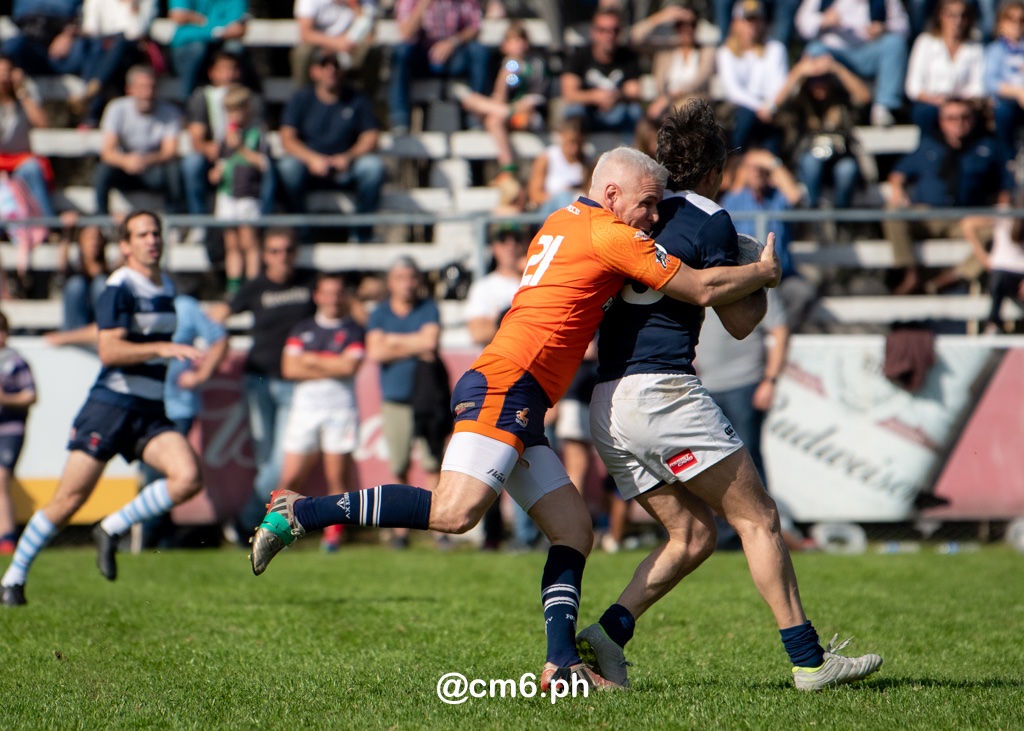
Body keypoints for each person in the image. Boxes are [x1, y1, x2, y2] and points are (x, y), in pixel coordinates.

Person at [248, 145, 780, 689]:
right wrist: (761, 272)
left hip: (519, 388)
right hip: (509, 382)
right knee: (456, 513)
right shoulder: (610, 233)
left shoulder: (561, 218)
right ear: (612, 194)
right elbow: (702, 288)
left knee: (574, 530)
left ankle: (562, 664)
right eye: (646, 204)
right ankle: (302, 513)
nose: (653, 217)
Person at [576, 100, 882, 692]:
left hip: (606, 401)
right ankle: (811, 662)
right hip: (662, 392)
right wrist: (760, 269)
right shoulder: (710, 218)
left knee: (691, 535)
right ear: (718, 168)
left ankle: (609, 633)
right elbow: (741, 323)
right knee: (759, 519)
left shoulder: (627, 217)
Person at [0, 211, 208, 607]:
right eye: (141, 234)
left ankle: (110, 528)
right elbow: (109, 349)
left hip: (149, 410)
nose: (152, 240)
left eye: (156, 233)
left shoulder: (166, 285)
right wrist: (161, 348)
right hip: (110, 407)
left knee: (189, 477)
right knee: (67, 500)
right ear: (126, 246)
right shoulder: (120, 286)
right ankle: (13, 577)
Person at [209, 228, 317, 541]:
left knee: (279, 463)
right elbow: (219, 314)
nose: (281, 256)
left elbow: (345, 303)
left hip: (295, 384)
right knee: (265, 459)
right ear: (265, 255)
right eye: (274, 251)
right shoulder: (255, 287)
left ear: (295, 254)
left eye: (287, 250)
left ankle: (246, 522)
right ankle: (268, 531)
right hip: (258, 381)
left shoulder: (309, 282)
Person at [883, 97, 1013, 294]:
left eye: (964, 117)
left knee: (1001, 230)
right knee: (893, 212)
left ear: (973, 119)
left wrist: (999, 213)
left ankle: (952, 278)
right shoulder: (929, 144)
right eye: (951, 118)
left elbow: (1004, 187)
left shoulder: (987, 147)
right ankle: (911, 272)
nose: (958, 122)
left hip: (965, 218)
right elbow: (898, 173)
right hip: (927, 214)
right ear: (942, 121)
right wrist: (897, 190)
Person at [279, 273, 366, 553]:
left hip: (339, 411)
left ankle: (333, 538)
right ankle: (276, 532)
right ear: (317, 296)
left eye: (337, 292)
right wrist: (331, 363)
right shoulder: (301, 327)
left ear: (344, 296)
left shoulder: (353, 330)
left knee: (336, 480)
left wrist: (310, 360)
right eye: (326, 292)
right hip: (305, 410)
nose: (332, 298)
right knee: (290, 478)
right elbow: (290, 369)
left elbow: (348, 368)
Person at [365, 256, 443, 549]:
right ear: (390, 282)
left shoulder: (428, 307)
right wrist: (414, 342)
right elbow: (375, 352)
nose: (407, 283)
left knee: (432, 463)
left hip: (427, 398)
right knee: (399, 465)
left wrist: (392, 342)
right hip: (395, 399)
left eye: (411, 277)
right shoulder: (380, 312)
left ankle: (439, 529)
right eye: (400, 277)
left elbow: (430, 342)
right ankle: (401, 531)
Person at [278, 48, 385, 244]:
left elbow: (372, 136)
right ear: (313, 71)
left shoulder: (357, 99)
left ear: (343, 70)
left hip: (347, 168)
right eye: (324, 65)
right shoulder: (301, 98)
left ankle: (362, 233)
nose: (330, 70)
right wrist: (312, 159)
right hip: (309, 169)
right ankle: (300, 230)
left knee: (372, 167)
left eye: (335, 65)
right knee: (287, 167)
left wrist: (348, 157)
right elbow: (287, 138)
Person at [720, 149, 818, 331]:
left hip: (782, 276)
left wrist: (771, 161)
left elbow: (795, 195)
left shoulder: (778, 198)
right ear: (744, 171)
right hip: (747, 276)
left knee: (803, 293)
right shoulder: (734, 201)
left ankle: (780, 339)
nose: (757, 172)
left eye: (762, 168)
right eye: (753, 168)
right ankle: (762, 339)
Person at [182, 50, 273, 245]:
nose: (229, 75)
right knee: (192, 164)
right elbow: (196, 137)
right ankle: (199, 223)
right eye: (223, 69)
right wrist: (210, 149)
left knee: (273, 171)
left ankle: (265, 222)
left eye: (233, 69)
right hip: (215, 157)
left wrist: (238, 147)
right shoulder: (201, 97)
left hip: (245, 165)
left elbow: (260, 150)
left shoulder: (252, 100)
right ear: (212, 73)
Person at [453, 21, 547, 180]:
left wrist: (518, 105)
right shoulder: (507, 67)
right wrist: (504, 77)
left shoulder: (536, 66)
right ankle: (508, 168)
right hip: (508, 112)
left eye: (521, 40)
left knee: (489, 116)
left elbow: (537, 98)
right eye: (513, 41)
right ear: (505, 46)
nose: (519, 45)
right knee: (481, 107)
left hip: (528, 115)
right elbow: (500, 96)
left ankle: (508, 169)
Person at [775, 53, 870, 210]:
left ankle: (841, 220)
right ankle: (815, 213)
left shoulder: (840, 99)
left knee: (848, 169)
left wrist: (837, 68)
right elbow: (775, 105)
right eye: (814, 80)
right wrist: (798, 72)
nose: (819, 84)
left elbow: (865, 97)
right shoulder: (800, 102)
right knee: (812, 162)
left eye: (823, 79)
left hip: (839, 156)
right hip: (809, 160)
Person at [796, 0, 910, 127]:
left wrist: (884, 27)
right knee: (813, 50)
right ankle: (814, 113)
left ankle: (883, 106)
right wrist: (823, 20)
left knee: (895, 43)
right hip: (834, 52)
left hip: (869, 51)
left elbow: (904, 27)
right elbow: (802, 25)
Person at [388, 0, 492, 134]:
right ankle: (400, 119)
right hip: (422, 58)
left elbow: (475, 27)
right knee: (401, 52)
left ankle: (476, 116)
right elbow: (406, 34)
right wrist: (423, 4)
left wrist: (452, 42)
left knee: (479, 51)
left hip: (454, 57)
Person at [94, 65, 184, 218]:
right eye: (142, 87)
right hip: (124, 170)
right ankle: (100, 220)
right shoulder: (117, 109)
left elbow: (170, 151)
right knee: (103, 169)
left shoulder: (170, 112)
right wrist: (126, 161)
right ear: (130, 89)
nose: (148, 93)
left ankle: (173, 219)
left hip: (153, 170)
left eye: (151, 87)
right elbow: (107, 152)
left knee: (173, 169)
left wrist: (144, 160)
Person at [209, 84, 269, 294]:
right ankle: (233, 285)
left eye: (237, 109)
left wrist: (240, 147)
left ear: (247, 109)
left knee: (249, 242)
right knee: (232, 243)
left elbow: (262, 163)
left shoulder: (256, 132)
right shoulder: (225, 135)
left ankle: (253, 285)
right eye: (229, 111)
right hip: (226, 194)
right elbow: (222, 161)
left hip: (248, 195)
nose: (233, 115)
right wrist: (216, 171)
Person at [716, 0, 788, 153]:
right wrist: (759, 107)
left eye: (757, 19)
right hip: (741, 111)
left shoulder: (775, 49)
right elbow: (733, 91)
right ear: (737, 22)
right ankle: (735, 158)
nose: (753, 25)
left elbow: (779, 86)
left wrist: (767, 107)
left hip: (770, 109)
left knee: (771, 130)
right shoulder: (726, 52)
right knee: (746, 115)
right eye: (748, 20)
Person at [905, 0, 985, 136]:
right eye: (952, 15)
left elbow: (978, 86)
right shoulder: (925, 42)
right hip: (931, 103)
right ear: (940, 16)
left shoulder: (975, 46)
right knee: (926, 114)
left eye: (962, 16)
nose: (958, 21)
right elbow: (913, 87)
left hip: (963, 103)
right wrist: (935, 100)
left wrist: (957, 102)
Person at [72, 0, 156, 128]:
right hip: (104, 48)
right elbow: (91, 30)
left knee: (120, 44)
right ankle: (95, 90)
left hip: (131, 50)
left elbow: (137, 32)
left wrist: (133, 8)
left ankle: (91, 97)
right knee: (96, 50)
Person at [0, 55, 63, 225]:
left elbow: (42, 123)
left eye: (7, 72)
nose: (4, 77)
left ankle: (48, 225)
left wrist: (21, 91)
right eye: (1, 72)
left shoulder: (23, 99)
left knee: (33, 169)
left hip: (20, 163)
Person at [560, 8, 643, 136]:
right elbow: (569, 93)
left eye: (614, 30)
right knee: (574, 111)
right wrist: (594, 96)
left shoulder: (628, 56)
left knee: (635, 111)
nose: (609, 36)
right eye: (603, 30)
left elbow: (635, 91)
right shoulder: (579, 56)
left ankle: (632, 153)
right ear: (593, 32)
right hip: (589, 115)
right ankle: (575, 153)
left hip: (617, 113)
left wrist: (615, 96)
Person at [633, 3, 715, 122]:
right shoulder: (666, 50)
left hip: (694, 108)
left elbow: (701, 81)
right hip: (664, 108)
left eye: (691, 24)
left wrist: (669, 98)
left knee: (683, 109)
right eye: (680, 24)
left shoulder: (705, 51)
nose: (686, 29)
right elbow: (636, 38)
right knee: (643, 125)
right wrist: (661, 16)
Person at [0, 311, 37, 555]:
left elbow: (31, 395)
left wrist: (5, 399)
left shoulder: (15, 361)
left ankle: (7, 538)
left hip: (9, 430)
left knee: (0, 480)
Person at [167, 0, 252, 98]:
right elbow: (178, 16)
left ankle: (234, 100)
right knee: (196, 49)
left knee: (234, 48)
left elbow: (237, 28)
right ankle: (186, 101)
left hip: (219, 46)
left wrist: (199, 20)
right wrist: (218, 31)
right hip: (190, 51)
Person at [962, 210, 1024, 333]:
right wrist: (982, 257)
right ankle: (993, 323)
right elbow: (968, 224)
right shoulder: (1003, 214)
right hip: (1004, 276)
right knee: (998, 279)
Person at [292, 0, 378, 86]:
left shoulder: (365, 2)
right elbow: (305, 34)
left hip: (349, 45)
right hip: (319, 45)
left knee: (372, 52)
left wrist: (356, 7)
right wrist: (334, 43)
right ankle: (302, 94)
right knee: (302, 53)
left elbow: (370, 34)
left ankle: (363, 96)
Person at [1, 0, 87, 78]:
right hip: (31, 52)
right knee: (12, 44)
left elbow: (88, 18)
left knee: (91, 45)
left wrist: (68, 34)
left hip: (64, 52)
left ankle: (92, 91)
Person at [982, 0, 1024, 159]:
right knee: (1003, 113)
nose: (1017, 24)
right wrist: (1018, 92)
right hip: (1006, 103)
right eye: (1011, 19)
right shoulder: (995, 50)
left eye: (1021, 20)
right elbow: (990, 82)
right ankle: (1008, 161)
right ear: (1000, 23)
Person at [526, 116, 591, 216]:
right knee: (564, 198)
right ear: (562, 136)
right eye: (572, 142)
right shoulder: (547, 158)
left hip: (577, 211)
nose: (575, 148)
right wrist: (563, 195)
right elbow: (535, 196)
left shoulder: (586, 161)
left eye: (579, 143)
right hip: (549, 213)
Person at [55, 224, 110, 332]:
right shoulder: (74, 270)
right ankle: (78, 335)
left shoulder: (107, 270)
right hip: (75, 327)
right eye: (89, 238)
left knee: (102, 283)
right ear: (80, 241)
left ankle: (103, 331)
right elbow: (62, 266)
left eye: (97, 238)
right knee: (76, 284)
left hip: (99, 327)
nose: (94, 242)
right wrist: (67, 231)